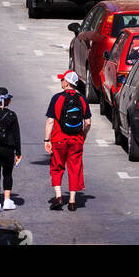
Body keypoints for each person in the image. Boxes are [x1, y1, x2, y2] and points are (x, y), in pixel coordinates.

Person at [44, 71, 91, 211]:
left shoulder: (56, 98)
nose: (61, 82)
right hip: (76, 139)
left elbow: (50, 121)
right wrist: (83, 135)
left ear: (67, 83)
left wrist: (47, 139)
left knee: (57, 167)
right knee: (74, 168)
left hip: (59, 139)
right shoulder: (83, 99)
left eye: (62, 80)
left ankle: (58, 197)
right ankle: (72, 201)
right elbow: (87, 122)